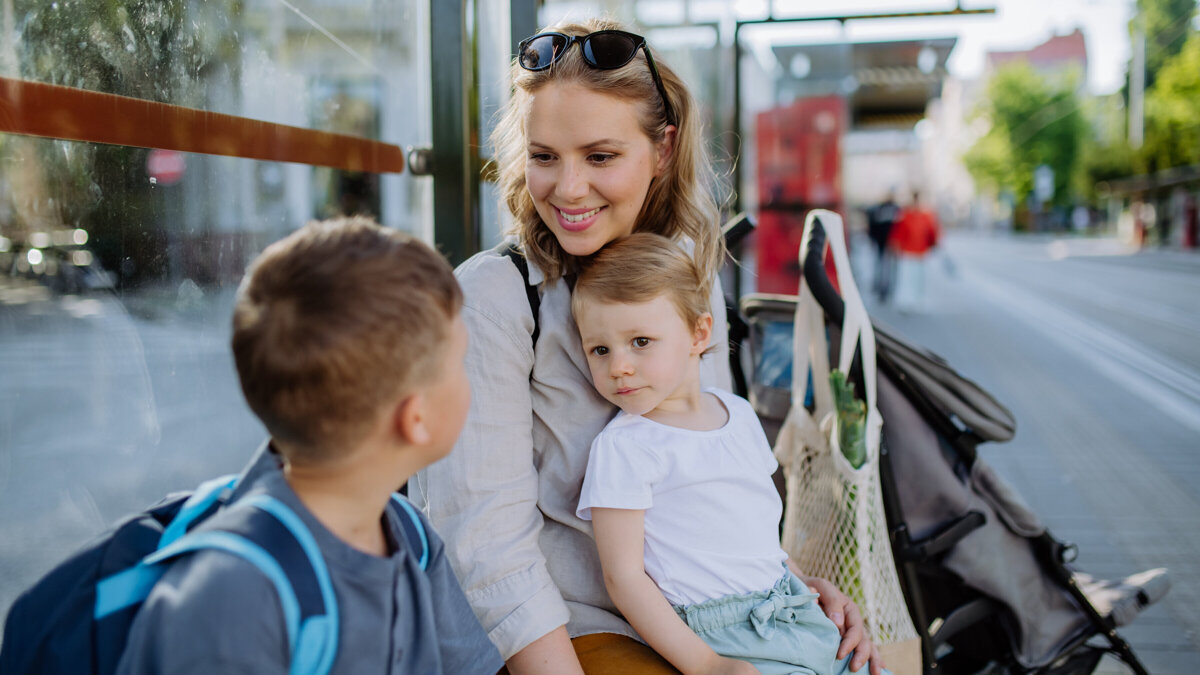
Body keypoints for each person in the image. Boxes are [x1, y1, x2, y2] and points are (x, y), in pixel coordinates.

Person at [409, 17, 884, 675]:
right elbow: (488, 551)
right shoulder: (494, 297)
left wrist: (792, 590)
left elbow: (709, 472)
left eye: (599, 156)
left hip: (721, 623)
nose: (567, 189)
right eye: (544, 156)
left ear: (663, 149)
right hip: (572, 636)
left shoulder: (687, 273)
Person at [117, 217, 503, 675]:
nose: (469, 379)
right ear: (414, 417)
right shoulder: (231, 596)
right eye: (460, 362)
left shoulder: (407, 533)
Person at [572, 233, 887, 675]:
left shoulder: (737, 414)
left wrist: (802, 584)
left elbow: (758, 533)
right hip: (720, 636)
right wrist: (708, 665)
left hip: (791, 608)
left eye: (640, 341)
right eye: (600, 349)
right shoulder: (625, 447)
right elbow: (623, 579)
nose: (618, 366)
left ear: (699, 334)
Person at [888, 191, 940, 313]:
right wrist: (895, 248)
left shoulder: (926, 216)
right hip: (907, 252)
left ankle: (917, 300)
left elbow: (932, 233)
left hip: (921, 252)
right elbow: (898, 234)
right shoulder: (905, 215)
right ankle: (905, 301)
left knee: (918, 278)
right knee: (906, 278)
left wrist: (933, 245)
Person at [866, 192, 900, 302]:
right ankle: (879, 288)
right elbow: (873, 226)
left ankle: (887, 289)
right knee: (881, 266)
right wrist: (872, 239)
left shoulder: (896, 209)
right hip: (881, 242)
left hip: (891, 243)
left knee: (888, 267)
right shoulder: (879, 209)